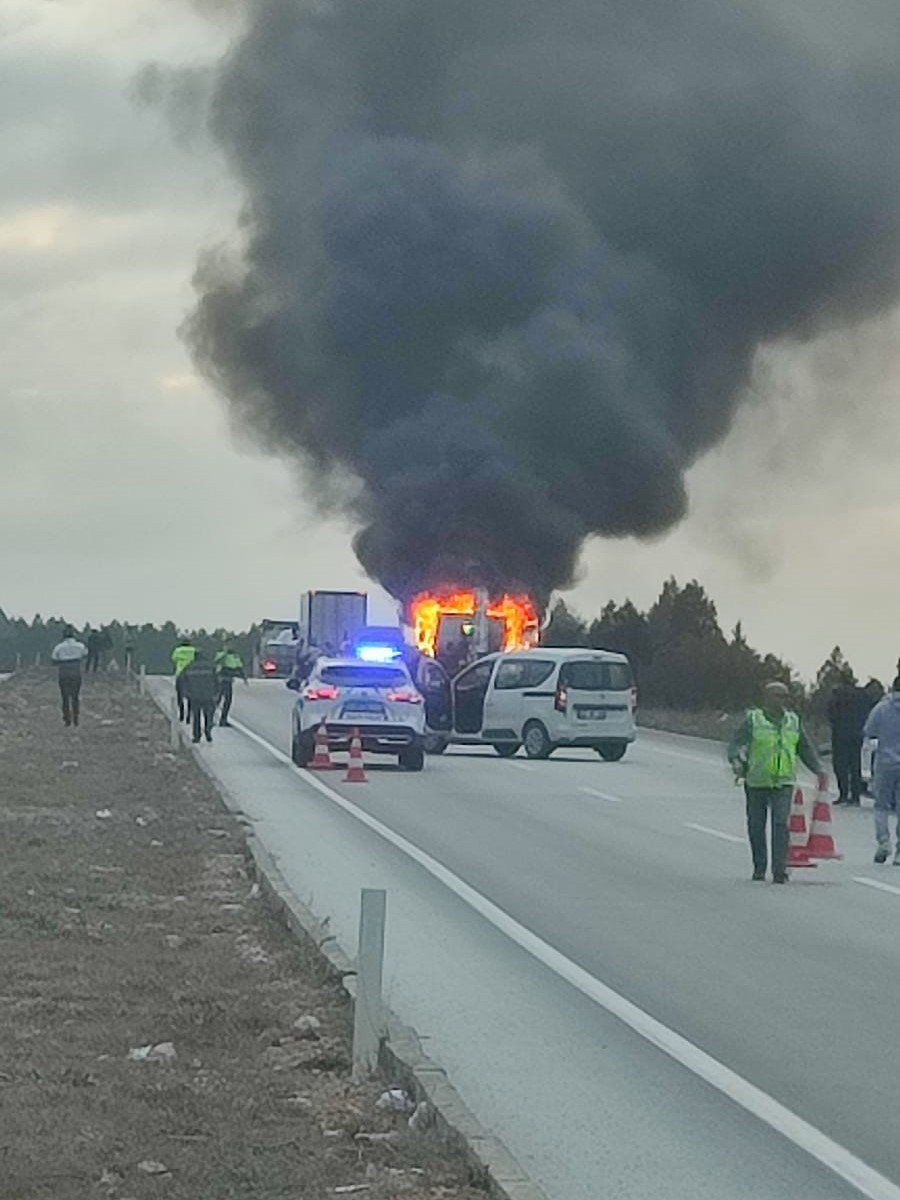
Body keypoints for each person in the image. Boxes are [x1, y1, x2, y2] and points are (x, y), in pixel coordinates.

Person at [728, 681, 828, 883]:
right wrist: (736, 761)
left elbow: (804, 748)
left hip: (783, 782)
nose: (782, 700)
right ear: (767, 697)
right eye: (777, 696)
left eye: (785, 696)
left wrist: (818, 768)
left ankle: (779, 869)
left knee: (781, 823)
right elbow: (736, 745)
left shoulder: (792, 721)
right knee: (756, 824)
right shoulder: (753, 720)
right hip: (757, 780)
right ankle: (759, 865)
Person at [863, 677, 900, 864]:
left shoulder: (882, 708)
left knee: (881, 806)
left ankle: (884, 842)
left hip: (885, 762)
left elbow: (869, 731)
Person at [827, 669, 867, 806]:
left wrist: (836, 724)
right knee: (855, 765)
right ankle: (856, 796)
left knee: (841, 766)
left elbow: (831, 712)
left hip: (840, 734)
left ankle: (843, 794)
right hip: (857, 734)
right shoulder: (862, 694)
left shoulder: (837, 693)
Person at [50, 626, 88, 727]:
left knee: (65, 697)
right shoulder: (80, 646)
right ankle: (76, 718)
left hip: (64, 673)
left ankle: (67, 719)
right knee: (75, 697)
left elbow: (54, 659)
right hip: (76, 672)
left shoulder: (59, 647)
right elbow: (85, 654)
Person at [180, 649, 218, 744]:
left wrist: (185, 693)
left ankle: (197, 736)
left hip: (194, 696)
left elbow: (182, 680)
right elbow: (217, 680)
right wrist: (216, 693)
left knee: (196, 717)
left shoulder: (189, 667)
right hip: (208, 695)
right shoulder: (210, 666)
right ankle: (208, 729)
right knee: (208, 715)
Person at [214, 645, 246, 727]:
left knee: (227, 701)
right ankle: (210, 719)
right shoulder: (221, 655)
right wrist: (224, 653)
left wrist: (244, 677)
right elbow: (217, 661)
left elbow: (239, 666)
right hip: (221, 680)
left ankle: (223, 720)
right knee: (217, 700)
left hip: (228, 681)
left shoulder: (235, 656)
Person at [171, 637, 197, 723]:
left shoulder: (178, 650)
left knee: (180, 695)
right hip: (191, 674)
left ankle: (182, 714)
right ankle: (189, 716)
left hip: (180, 673)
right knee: (191, 696)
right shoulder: (194, 650)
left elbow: (173, 659)